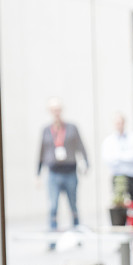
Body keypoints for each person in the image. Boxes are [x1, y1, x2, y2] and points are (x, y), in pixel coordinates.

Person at [37, 97, 89, 243]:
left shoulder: (72, 128)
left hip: (70, 172)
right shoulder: (46, 130)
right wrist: (38, 173)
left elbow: (81, 146)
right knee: (53, 206)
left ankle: (77, 236)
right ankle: (52, 240)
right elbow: (41, 152)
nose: (56, 113)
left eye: (58, 109)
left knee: (73, 206)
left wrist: (86, 163)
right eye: (53, 110)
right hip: (53, 173)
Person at [101, 113, 133, 201]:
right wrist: (127, 156)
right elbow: (108, 159)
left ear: (124, 123)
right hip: (117, 176)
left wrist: (118, 156)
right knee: (118, 202)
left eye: (121, 123)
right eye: (117, 123)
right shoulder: (109, 141)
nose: (119, 125)